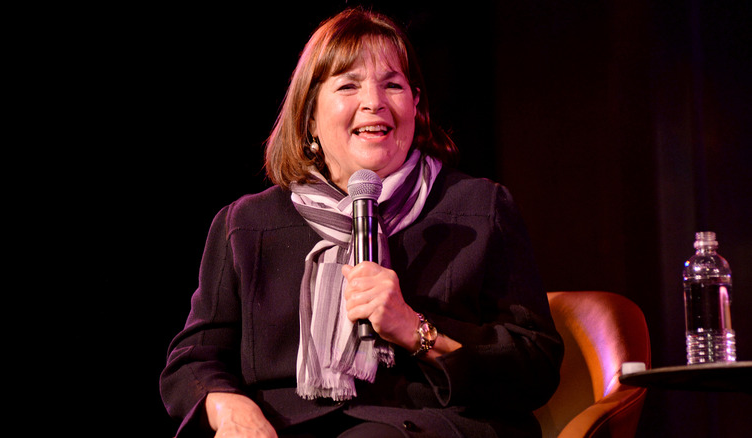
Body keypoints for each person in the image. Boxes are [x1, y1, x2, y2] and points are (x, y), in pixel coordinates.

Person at [160, 8, 563, 438]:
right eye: (349, 85)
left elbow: (535, 365)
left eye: (392, 85)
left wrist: (416, 330)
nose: (374, 102)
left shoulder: (479, 207)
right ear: (309, 115)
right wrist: (233, 410)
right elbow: (192, 362)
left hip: (429, 426)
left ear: (415, 106)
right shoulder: (247, 224)